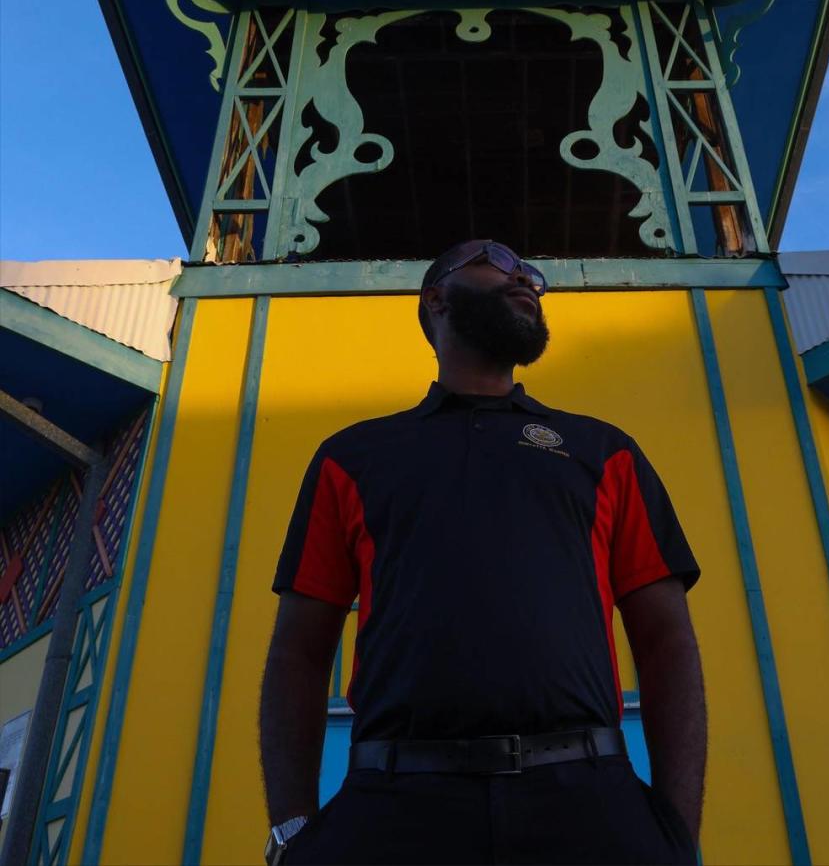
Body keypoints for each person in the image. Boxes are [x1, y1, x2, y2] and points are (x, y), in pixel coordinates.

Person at [260, 239, 705, 865]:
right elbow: (299, 653)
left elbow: (667, 642)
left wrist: (675, 831)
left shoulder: (604, 451)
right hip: (393, 809)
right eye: (498, 261)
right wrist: (292, 829)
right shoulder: (353, 458)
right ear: (436, 298)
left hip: (592, 806)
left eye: (531, 271)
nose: (526, 277)